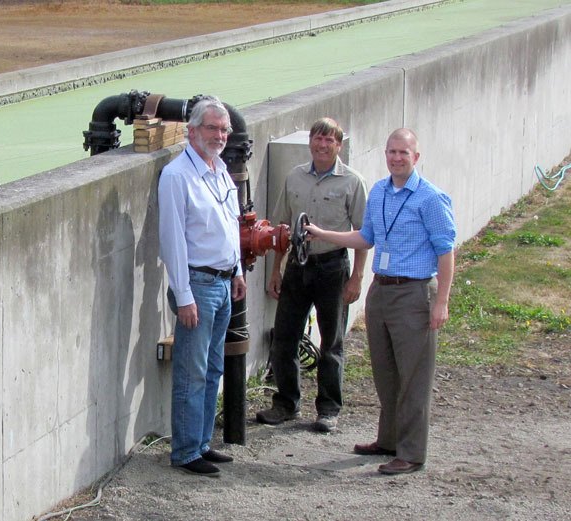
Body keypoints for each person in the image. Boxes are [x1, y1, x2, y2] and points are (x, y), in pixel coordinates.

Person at [305, 128, 456, 474]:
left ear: (416, 157)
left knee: (414, 377)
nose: (397, 158)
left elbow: (446, 251)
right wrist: (322, 233)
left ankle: (411, 452)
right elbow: (365, 237)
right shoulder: (380, 193)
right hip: (382, 291)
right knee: (385, 372)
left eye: (404, 153)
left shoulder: (431, 198)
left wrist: (441, 302)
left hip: (414, 292)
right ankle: (388, 439)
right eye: (391, 152)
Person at [256, 117, 368, 433]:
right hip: (296, 268)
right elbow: (282, 228)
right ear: (310, 143)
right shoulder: (295, 178)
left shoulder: (352, 182)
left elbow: (363, 234)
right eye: (318, 139)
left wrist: (356, 277)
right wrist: (276, 269)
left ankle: (328, 409)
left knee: (332, 342)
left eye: (329, 141)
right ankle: (286, 404)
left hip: (333, 268)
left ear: (339, 145)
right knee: (285, 338)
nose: (322, 145)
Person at [158, 96, 247, 477]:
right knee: (191, 372)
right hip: (197, 283)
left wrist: (239, 270)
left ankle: (202, 441)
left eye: (225, 129)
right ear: (192, 131)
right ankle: (185, 450)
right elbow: (172, 239)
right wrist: (184, 295)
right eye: (212, 128)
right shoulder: (178, 176)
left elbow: (231, 223)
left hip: (224, 282)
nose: (221, 135)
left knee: (212, 369)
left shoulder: (219, 169)